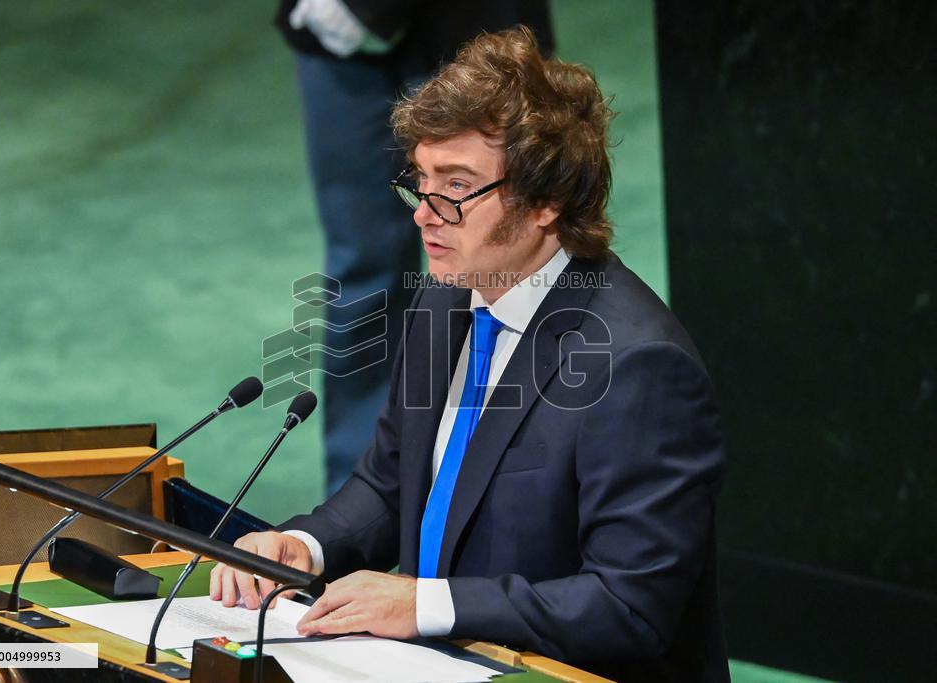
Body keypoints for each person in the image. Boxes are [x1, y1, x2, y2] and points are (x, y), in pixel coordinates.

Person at [216, 27, 728, 682]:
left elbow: (628, 605)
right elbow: (392, 484)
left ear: (546, 201)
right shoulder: (446, 299)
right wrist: (306, 546)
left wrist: (424, 604)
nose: (424, 214)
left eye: (457, 186)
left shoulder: (637, 366)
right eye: (420, 181)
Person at [276, 0, 553, 493]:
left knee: (500, 266)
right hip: (334, 36)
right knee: (360, 277)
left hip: (472, 26)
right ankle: (360, 502)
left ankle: (512, 492)